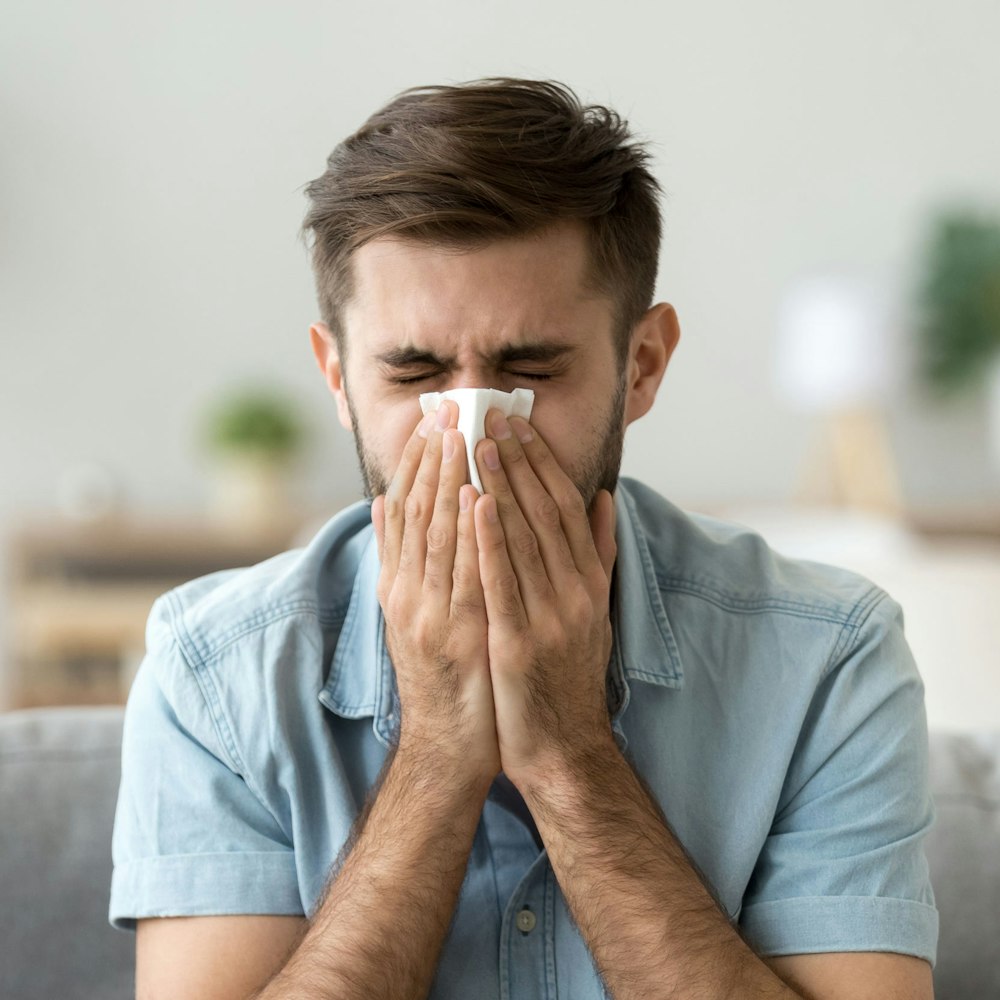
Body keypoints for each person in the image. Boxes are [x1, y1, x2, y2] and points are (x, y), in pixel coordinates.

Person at [109, 78, 938, 999]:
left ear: (643, 366)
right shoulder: (214, 677)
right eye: (414, 372)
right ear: (336, 376)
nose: (470, 435)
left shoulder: (828, 658)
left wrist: (568, 753)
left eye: (531, 369)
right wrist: (434, 757)